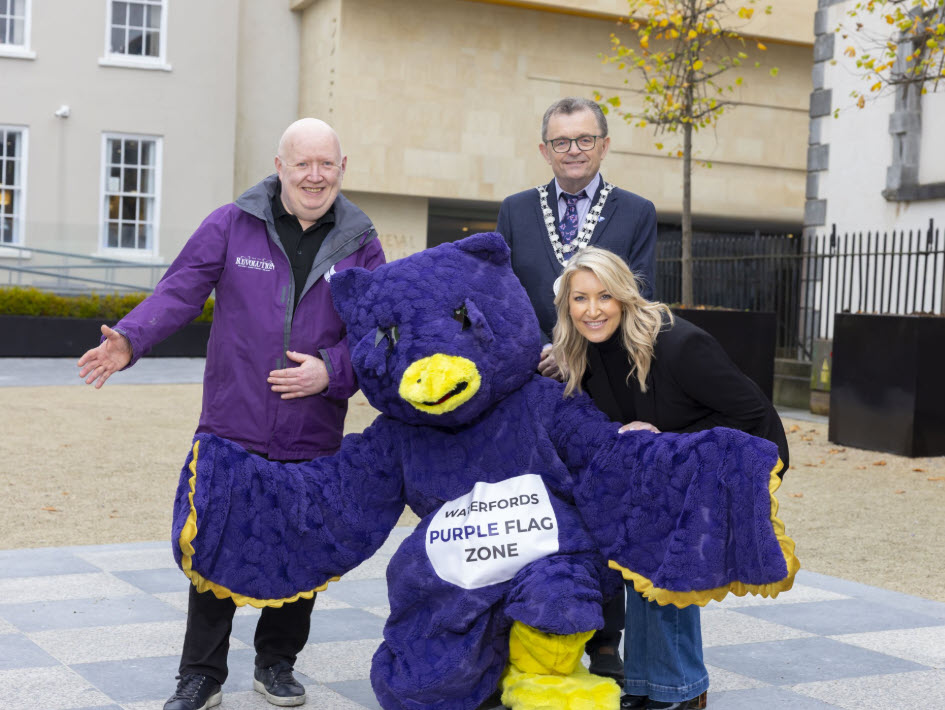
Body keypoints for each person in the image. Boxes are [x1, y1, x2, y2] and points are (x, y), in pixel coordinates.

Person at [76, 118, 386, 710]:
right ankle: (201, 674)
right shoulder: (231, 224)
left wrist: (331, 371)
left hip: (312, 427)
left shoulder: (362, 243)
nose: (314, 176)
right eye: (303, 164)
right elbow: (179, 291)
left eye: (326, 164)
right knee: (212, 543)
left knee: (301, 546)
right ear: (280, 165)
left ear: (342, 169)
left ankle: (277, 664)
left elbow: (379, 333)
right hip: (231, 423)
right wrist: (130, 340)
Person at [551, 247, 790, 710]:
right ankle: (646, 685)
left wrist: (667, 437)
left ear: (624, 297)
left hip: (729, 458)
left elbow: (753, 411)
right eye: (580, 299)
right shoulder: (586, 349)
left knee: (667, 563)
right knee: (639, 564)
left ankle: (681, 688)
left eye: (604, 296)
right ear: (567, 307)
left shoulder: (679, 344)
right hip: (666, 464)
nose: (593, 310)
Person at [497, 95, 658, 681]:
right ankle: (525, 627)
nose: (573, 150)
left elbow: (637, 297)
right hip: (530, 388)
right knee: (532, 505)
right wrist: (532, 352)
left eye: (585, 139)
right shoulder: (515, 211)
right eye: (562, 141)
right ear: (544, 149)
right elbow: (500, 296)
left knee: (602, 505)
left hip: (603, 387)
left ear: (604, 145)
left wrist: (576, 352)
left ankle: (606, 638)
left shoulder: (637, 212)